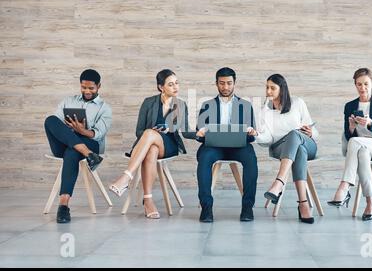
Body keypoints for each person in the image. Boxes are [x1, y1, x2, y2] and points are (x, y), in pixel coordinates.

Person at [109, 69, 195, 219]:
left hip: (169, 145)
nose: (176, 87)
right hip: (149, 145)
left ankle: (126, 177)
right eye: (170, 84)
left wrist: (200, 133)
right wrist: (153, 134)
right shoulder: (149, 102)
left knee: (150, 134)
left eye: (176, 83)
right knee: (151, 148)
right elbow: (138, 131)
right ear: (161, 87)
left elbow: (186, 132)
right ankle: (148, 201)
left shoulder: (181, 105)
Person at [248, 74, 318, 224]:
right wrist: (257, 135)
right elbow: (268, 139)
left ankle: (278, 183)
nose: (268, 91)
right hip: (281, 148)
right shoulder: (264, 112)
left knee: (295, 135)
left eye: (273, 88)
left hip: (308, 143)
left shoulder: (298, 103)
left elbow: (313, 129)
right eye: (267, 87)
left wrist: (312, 132)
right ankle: (303, 204)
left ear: (282, 89)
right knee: (299, 151)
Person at [44, 69, 112, 223]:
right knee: (50, 120)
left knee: (72, 152)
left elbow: (98, 134)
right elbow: (56, 125)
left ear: (99, 86)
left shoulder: (104, 108)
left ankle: (63, 206)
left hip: (90, 143)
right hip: (67, 143)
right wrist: (70, 129)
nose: (87, 91)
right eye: (83, 87)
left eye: (91, 88)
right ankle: (88, 155)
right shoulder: (68, 101)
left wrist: (82, 130)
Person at [327, 68, 372, 221]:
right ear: (355, 85)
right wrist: (351, 127)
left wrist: (370, 123)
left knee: (355, 142)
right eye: (359, 84)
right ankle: (370, 203)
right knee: (362, 153)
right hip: (361, 149)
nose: (362, 88)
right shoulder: (349, 106)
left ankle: (344, 186)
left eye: (366, 84)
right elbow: (349, 135)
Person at [195, 67, 258, 222]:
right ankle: (206, 208)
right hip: (213, 147)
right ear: (216, 84)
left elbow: (252, 137)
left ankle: (247, 207)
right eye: (222, 83)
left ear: (234, 83)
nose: (225, 87)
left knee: (251, 160)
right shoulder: (207, 105)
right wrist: (201, 133)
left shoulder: (246, 105)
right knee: (204, 158)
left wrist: (250, 132)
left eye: (229, 83)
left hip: (239, 147)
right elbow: (199, 132)